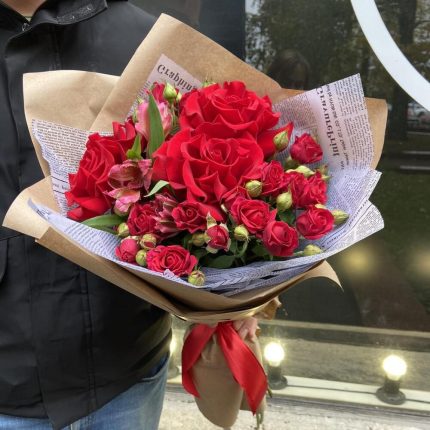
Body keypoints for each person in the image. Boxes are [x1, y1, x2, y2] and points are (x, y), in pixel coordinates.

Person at [0, 1, 259, 429]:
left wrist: (243, 280)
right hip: (10, 386)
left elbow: (210, 174)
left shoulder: (150, 38)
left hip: (128, 373)